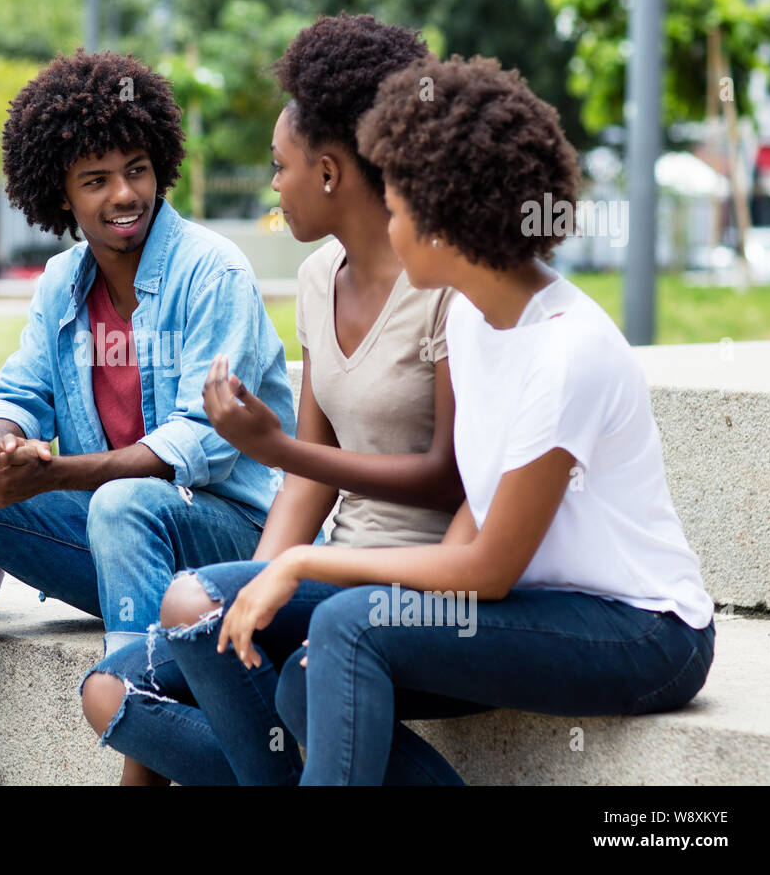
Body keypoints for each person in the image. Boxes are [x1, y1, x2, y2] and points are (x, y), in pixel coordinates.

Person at [223, 55, 716, 784]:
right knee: (307, 673)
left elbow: (487, 569)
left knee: (347, 626)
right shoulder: (475, 322)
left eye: (395, 210)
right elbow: (471, 524)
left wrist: (302, 562)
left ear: (446, 222)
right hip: (542, 606)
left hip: (643, 634)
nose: (386, 229)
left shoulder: (566, 351)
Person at [0, 49, 295, 786]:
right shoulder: (60, 285)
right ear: (61, 195)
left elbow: (199, 443)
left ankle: (142, 770)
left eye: (136, 169)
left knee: (122, 499)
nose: (123, 194)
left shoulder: (215, 270)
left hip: (233, 542)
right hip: (121, 538)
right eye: (96, 180)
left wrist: (57, 474)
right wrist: (2, 451)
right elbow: (14, 395)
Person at [81, 13, 464, 785]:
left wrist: (273, 451)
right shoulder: (322, 278)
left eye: (279, 165)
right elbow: (313, 476)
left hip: (418, 582)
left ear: (328, 172)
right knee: (109, 689)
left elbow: (446, 477)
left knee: (202, 613)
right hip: (329, 562)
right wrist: (255, 586)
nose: (273, 184)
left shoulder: (446, 284)